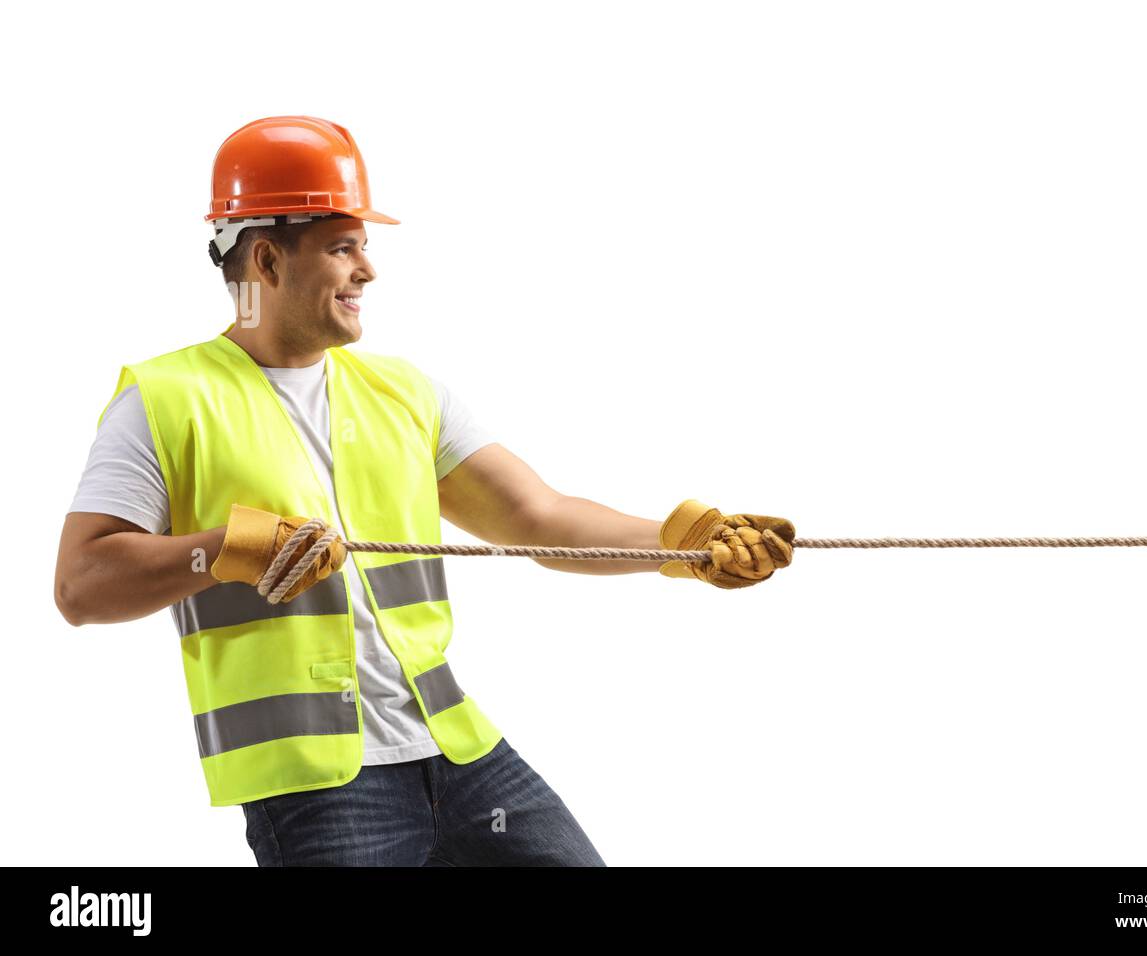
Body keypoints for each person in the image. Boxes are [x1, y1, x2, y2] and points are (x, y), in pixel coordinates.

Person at [53, 115, 796, 867]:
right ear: (269, 260)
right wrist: (222, 551)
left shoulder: (404, 393)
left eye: (364, 248)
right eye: (344, 248)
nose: (367, 272)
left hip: (457, 752)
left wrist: (682, 546)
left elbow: (536, 517)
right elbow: (81, 585)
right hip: (316, 787)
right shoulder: (165, 399)